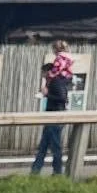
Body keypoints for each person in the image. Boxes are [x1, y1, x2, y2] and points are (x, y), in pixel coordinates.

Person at [32, 40, 73, 177]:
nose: (44, 76)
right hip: (51, 114)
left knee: (54, 145)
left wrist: (46, 94)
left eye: (44, 73)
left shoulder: (56, 82)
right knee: (44, 144)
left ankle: (57, 172)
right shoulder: (59, 79)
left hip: (56, 114)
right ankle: (35, 171)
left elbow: (62, 98)